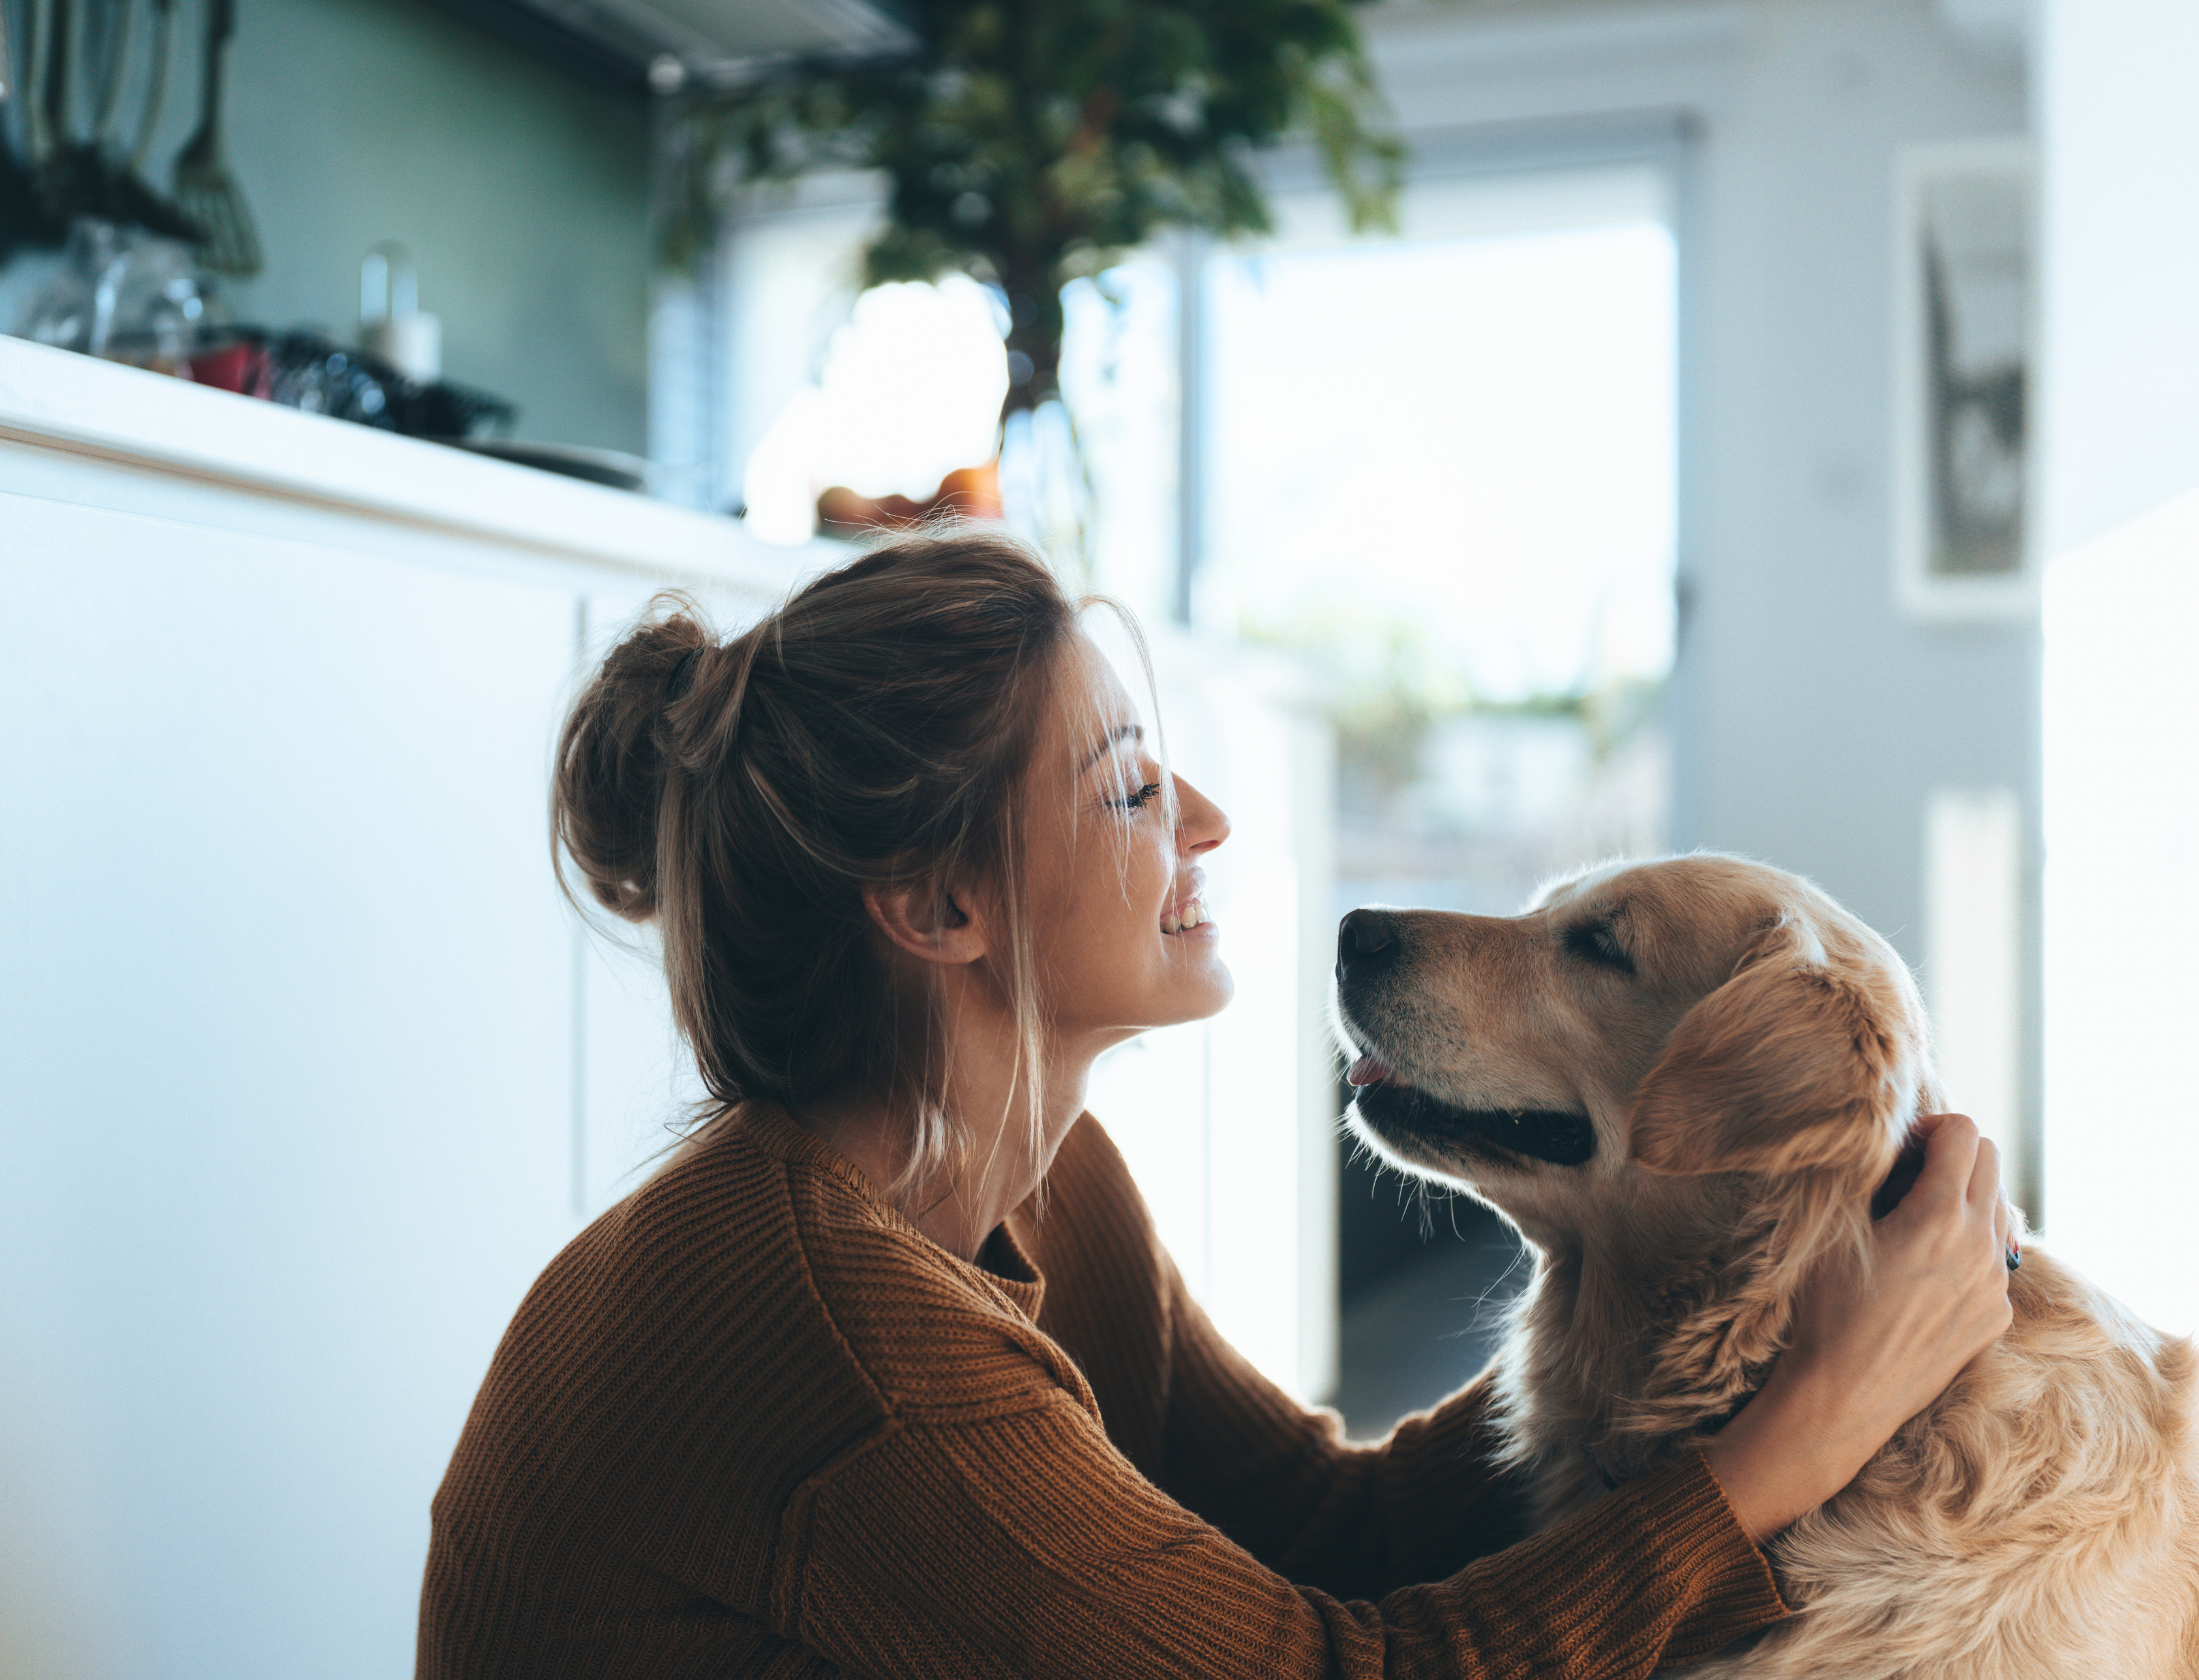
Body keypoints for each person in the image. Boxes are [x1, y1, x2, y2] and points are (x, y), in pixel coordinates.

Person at [416, 531, 2014, 1678]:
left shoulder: (1037, 1182)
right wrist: (1803, 1429)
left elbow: (1328, 1523)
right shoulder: (840, 1340)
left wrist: (1696, 1307)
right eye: (1126, 785)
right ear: (938, 905)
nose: (1205, 818)